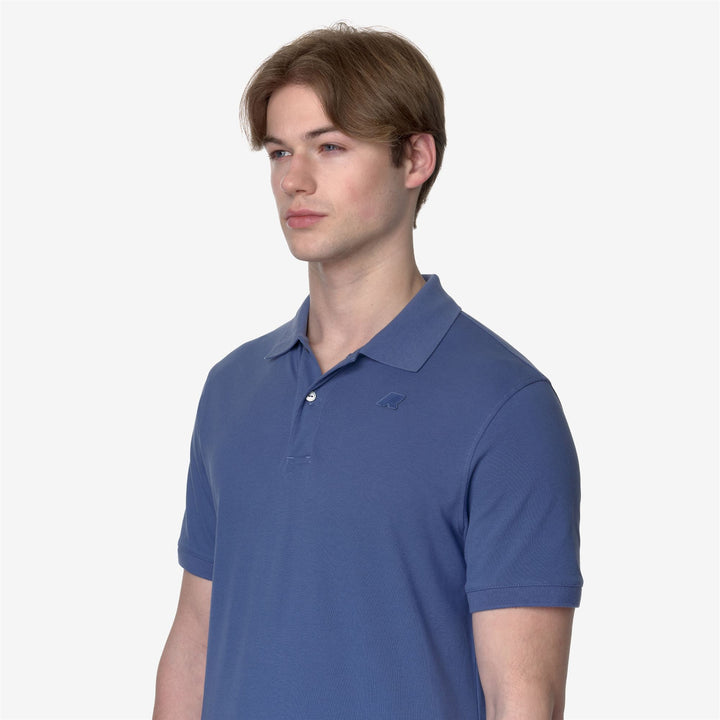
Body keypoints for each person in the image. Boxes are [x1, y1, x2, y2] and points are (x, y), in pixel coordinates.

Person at [153, 23, 582, 720]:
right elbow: (195, 641)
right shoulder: (232, 388)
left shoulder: (506, 405)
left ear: (415, 159)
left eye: (329, 147)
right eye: (279, 151)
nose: (294, 180)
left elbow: (522, 695)